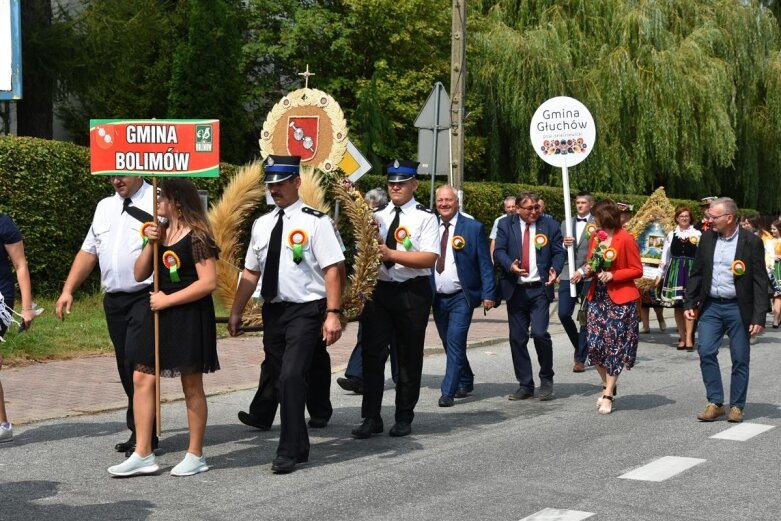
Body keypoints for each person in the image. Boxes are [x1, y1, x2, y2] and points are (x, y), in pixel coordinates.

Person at [229, 155, 344, 474]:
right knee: (283, 380)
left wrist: (333, 313)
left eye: (281, 183)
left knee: (292, 376)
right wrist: (237, 310)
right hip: (274, 312)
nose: (275, 189)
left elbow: (334, 269)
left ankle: (288, 450)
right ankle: (300, 444)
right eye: (271, 184)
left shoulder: (316, 222)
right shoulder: (261, 225)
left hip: (307, 311)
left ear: (296, 182)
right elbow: (251, 272)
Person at [107, 178, 220, 477]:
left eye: (162, 196)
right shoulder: (161, 231)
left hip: (187, 314)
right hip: (160, 310)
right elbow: (140, 272)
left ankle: (195, 454)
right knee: (141, 376)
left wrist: (168, 300)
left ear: (177, 201)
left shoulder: (197, 236)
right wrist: (151, 242)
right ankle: (143, 452)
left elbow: (208, 282)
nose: (157, 201)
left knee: (191, 384)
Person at [55, 175, 156, 456]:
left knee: (138, 362)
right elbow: (89, 252)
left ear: (138, 171)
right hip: (114, 299)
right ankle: (141, 428)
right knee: (125, 364)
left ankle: (144, 435)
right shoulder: (104, 207)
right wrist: (68, 290)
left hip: (145, 295)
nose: (115, 180)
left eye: (121, 174)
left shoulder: (157, 200)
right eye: (111, 175)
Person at [351, 160, 439, 439]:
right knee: (372, 355)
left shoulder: (425, 217)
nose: (396, 188)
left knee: (408, 355)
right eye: (392, 183)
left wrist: (391, 255)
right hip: (380, 291)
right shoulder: (378, 215)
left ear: (414, 185)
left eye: (402, 183)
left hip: (412, 291)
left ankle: (404, 415)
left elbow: (428, 258)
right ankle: (371, 416)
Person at [685, 197, 767, 424]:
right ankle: (716, 402)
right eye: (709, 216)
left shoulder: (751, 242)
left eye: (714, 216)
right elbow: (697, 272)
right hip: (711, 305)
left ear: (729, 218)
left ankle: (737, 406)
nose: (709, 220)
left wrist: (759, 316)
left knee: (740, 358)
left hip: (738, 308)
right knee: (706, 351)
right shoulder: (707, 238)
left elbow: (760, 282)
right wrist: (690, 302)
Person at [494, 191, 565, 401]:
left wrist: (555, 269)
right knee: (517, 338)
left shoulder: (550, 225)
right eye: (529, 208)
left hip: (539, 289)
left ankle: (546, 378)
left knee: (541, 333)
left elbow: (559, 251)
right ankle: (525, 384)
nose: (534, 211)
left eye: (536, 207)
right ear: (518, 209)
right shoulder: (506, 224)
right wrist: (510, 265)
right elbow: (499, 250)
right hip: (516, 290)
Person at [430, 185, 495, 407]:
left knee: (456, 341)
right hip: (437, 297)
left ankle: (448, 391)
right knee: (449, 343)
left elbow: (484, 264)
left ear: (457, 202)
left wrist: (488, 293)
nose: (444, 204)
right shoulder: (430, 226)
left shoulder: (472, 228)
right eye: (440, 200)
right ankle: (465, 378)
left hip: (462, 297)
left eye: (448, 200)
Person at [580, 200, 643, 414]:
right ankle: (609, 383)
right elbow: (590, 263)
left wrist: (614, 275)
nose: (593, 220)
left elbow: (637, 269)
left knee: (614, 345)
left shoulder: (626, 239)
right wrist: (582, 272)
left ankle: (607, 394)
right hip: (597, 296)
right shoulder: (596, 238)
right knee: (594, 346)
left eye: (595, 216)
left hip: (620, 299)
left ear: (604, 216)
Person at [336, 187, 399, 394]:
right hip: (372, 285)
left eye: (375, 208)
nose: (372, 213)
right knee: (367, 332)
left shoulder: (393, 219)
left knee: (398, 336)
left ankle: (400, 375)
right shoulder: (367, 223)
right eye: (368, 208)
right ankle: (357, 376)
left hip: (398, 284)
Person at [0, 213, 37, 442]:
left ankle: (3, 425)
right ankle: (3, 424)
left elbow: (20, 265)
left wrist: (27, 307)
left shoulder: (3, 223)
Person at [558, 191, 594, 372]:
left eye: (583, 203)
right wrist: (564, 244)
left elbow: (598, 251)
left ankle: (580, 359)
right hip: (567, 273)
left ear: (590, 205)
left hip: (588, 275)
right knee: (563, 314)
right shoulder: (565, 223)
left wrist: (582, 271)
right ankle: (579, 346)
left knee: (585, 317)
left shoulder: (597, 224)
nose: (579, 205)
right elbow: (557, 248)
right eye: (577, 202)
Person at [655, 207, 701, 350]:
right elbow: (665, 256)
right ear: (676, 218)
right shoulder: (671, 234)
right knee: (677, 306)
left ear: (690, 218)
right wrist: (659, 274)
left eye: (686, 216)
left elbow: (701, 255)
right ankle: (681, 336)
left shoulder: (697, 234)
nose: (684, 218)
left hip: (691, 271)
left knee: (690, 305)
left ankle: (689, 337)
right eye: (681, 216)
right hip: (674, 271)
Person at [767, 220, 781, 328]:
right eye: (771, 228)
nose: (772, 231)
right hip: (773, 269)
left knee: (778, 294)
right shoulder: (770, 241)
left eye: (774, 229)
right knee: (776, 293)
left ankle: (777, 319)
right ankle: (776, 318)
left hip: (779, 267)